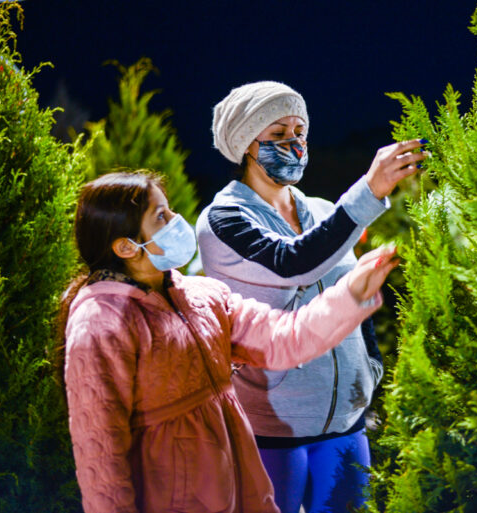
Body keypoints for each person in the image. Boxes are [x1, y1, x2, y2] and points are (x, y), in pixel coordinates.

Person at [57, 171, 398, 513]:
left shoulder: (204, 295)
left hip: (242, 491)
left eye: (171, 209)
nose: (177, 220)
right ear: (126, 246)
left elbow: (284, 339)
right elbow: (101, 453)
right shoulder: (100, 322)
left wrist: (350, 293)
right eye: (161, 216)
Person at [196, 81, 426, 513]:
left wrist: (370, 368)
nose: (295, 144)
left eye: (300, 132)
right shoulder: (223, 220)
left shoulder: (322, 211)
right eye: (279, 134)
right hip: (270, 428)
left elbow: (354, 297)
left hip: (345, 427)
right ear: (247, 144)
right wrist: (370, 190)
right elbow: (293, 262)